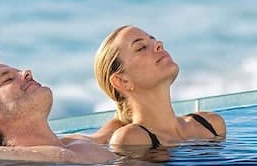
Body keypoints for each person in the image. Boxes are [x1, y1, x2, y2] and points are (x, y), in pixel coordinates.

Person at [92, 25, 226, 149]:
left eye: (154, 41)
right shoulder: (132, 139)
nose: (159, 45)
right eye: (141, 48)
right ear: (122, 81)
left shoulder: (211, 124)